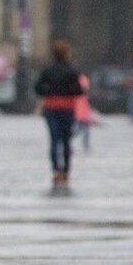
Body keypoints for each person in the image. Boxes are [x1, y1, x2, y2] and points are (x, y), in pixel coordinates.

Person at [35, 39, 84, 187]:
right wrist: (68, 91)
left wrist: (49, 92)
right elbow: (79, 91)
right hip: (68, 108)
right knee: (67, 141)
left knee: (54, 140)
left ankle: (56, 171)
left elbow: (38, 88)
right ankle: (66, 171)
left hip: (52, 107)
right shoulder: (72, 71)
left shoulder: (48, 71)